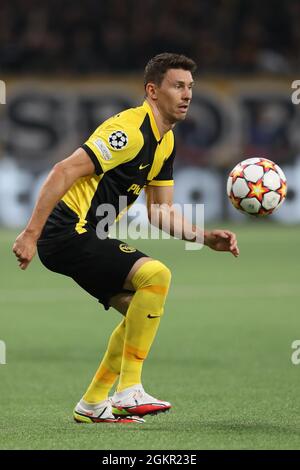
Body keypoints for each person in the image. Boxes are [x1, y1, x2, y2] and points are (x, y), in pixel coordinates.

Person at [12, 53, 239, 424]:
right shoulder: (129, 132)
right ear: (152, 90)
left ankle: (92, 404)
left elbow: (160, 212)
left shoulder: (165, 143)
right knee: (157, 275)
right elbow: (63, 170)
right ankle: (129, 391)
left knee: (139, 310)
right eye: (178, 86)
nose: (187, 95)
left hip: (82, 234)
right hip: (67, 230)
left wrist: (205, 237)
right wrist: (31, 234)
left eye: (191, 87)